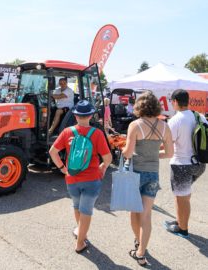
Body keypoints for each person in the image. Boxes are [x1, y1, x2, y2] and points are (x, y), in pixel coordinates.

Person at [49, 100, 112, 253]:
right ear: (90, 115)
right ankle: (79, 243)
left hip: (72, 178)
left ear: (75, 115)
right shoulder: (97, 133)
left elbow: (53, 152)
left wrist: (63, 169)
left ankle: (80, 232)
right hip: (91, 179)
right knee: (87, 210)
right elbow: (108, 157)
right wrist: (102, 167)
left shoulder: (67, 132)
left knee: (77, 206)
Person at [122, 91, 173, 267]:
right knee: (146, 215)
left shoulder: (135, 125)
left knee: (133, 212)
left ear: (139, 106)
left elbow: (128, 153)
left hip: (134, 172)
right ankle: (141, 252)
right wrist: (152, 155)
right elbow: (169, 153)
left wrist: (123, 150)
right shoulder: (165, 127)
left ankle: (138, 241)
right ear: (156, 106)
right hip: (153, 173)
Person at [164, 89, 207, 238]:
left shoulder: (176, 120)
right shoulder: (199, 116)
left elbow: (168, 143)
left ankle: (183, 228)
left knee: (181, 198)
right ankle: (179, 220)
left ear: (175, 101)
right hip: (199, 164)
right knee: (184, 195)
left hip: (181, 164)